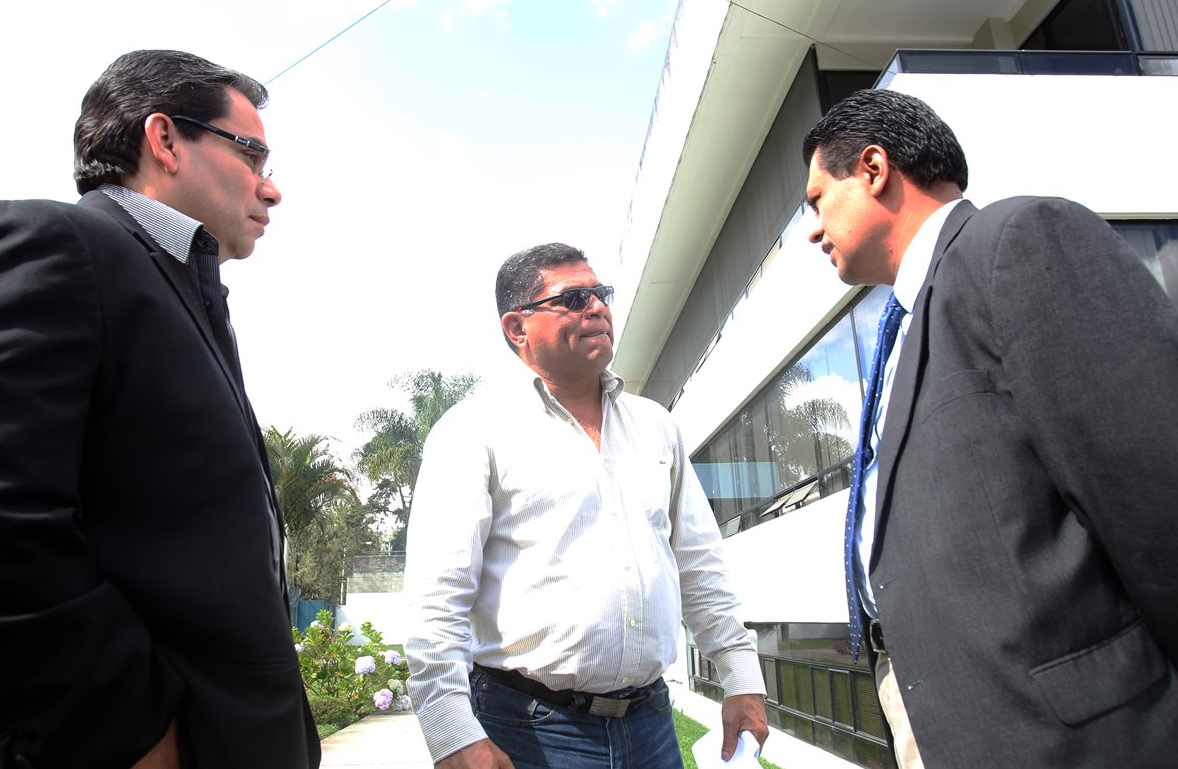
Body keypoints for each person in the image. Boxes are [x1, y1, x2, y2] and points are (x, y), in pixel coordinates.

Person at [802, 88, 1178, 768]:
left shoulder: (1018, 242)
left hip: (1067, 737)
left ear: (874, 169)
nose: (811, 228)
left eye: (817, 200)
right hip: (949, 717)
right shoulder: (906, 321)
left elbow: (1156, 494)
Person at [0, 50, 319, 768]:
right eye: (253, 151)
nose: (273, 187)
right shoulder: (59, 245)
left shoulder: (183, 287)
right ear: (164, 140)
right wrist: (128, 725)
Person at [404, 243, 768, 768]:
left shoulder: (656, 426)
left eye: (601, 294)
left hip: (651, 726)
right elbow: (438, 595)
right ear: (517, 328)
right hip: (527, 728)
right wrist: (452, 732)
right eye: (573, 298)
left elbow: (698, 562)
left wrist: (741, 679)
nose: (596, 307)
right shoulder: (473, 430)